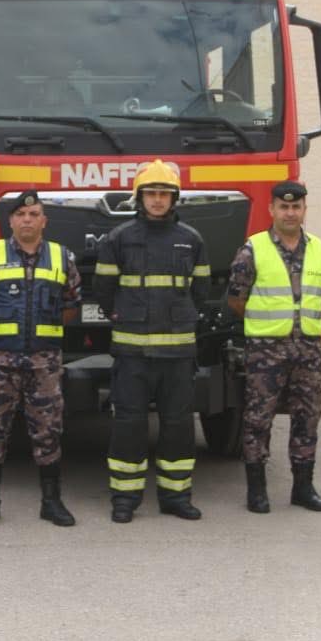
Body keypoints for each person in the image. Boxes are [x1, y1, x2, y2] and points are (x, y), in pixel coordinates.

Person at [94, 160, 209, 524]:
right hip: (133, 352)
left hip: (177, 353)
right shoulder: (119, 238)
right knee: (129, 423)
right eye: (151, 193)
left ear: (174, 199)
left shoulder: (191, 240)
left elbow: (201, 292)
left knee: (177, 424)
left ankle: (176, 496)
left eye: (164, 194)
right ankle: (125, 498)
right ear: (139, 198)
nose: (157, 200)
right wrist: (127, 316)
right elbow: (104, 292)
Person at [0, 189, 81, 528]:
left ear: (44, 221)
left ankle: (52, 501)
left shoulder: (62, 258)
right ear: (11, 220)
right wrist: (6, 334)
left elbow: (72, 306)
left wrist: (42, 335)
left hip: (44, 362)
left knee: (48, 432)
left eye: (34, 215)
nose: (27, 220)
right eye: (21, 215)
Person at [226, 180, 321, 514]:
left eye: (296, 206)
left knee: (308, 417)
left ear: (304, 210)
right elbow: (236, 299)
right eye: (283, 207)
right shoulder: (252, 249)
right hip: (266, 352)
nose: (290, 212)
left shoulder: (318, 246)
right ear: (271, 209)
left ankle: (303, 487)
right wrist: (268, 326)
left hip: (307, 351)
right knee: (258, 418)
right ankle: (257, 490)